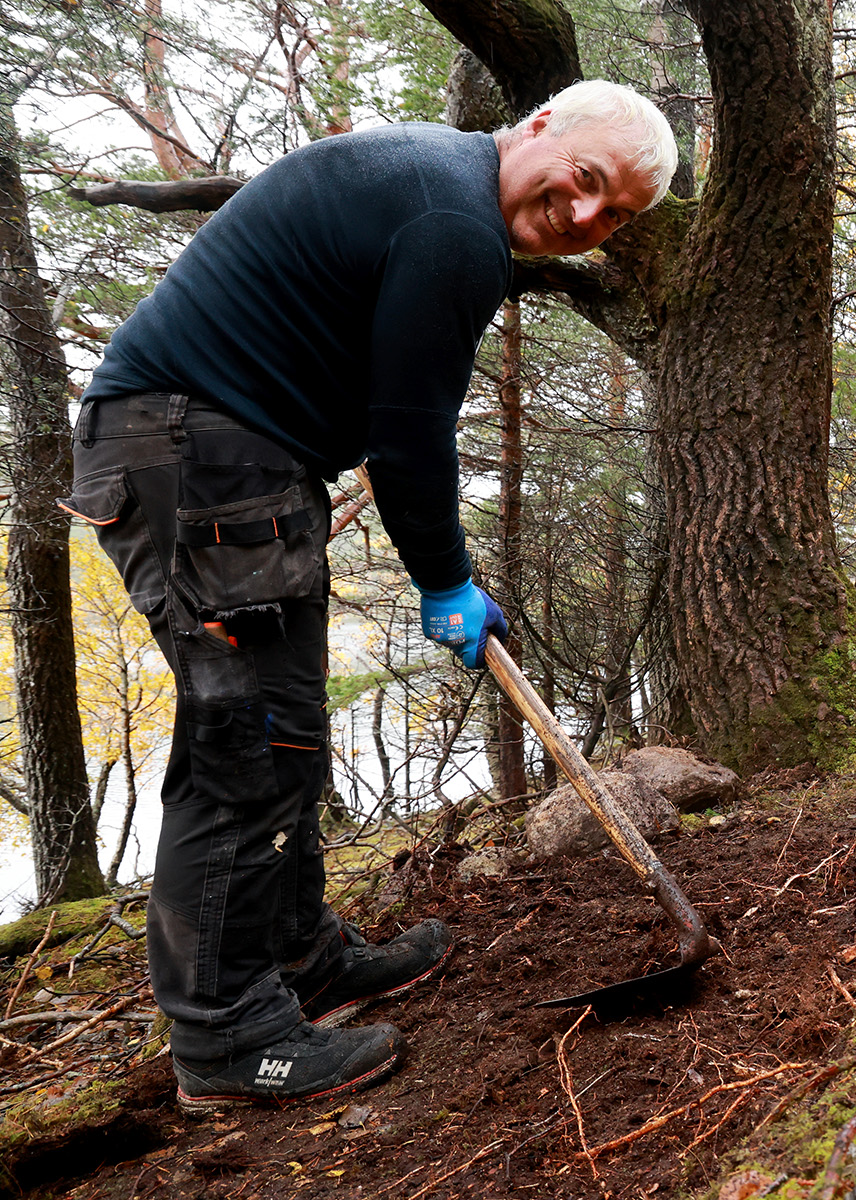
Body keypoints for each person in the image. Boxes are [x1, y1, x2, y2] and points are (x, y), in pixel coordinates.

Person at [59, 81, 678, 1111]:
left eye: (613, 217)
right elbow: (408, 433)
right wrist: (446, 582)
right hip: (196, 453)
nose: (583, 221)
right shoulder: (452, 221)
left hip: (225, 455)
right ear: (539, 128)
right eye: (586, 182)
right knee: (245, 743)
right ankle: (225, 1040)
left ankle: (304, 956)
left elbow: (386, 407)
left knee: (284, 730)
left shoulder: (436, 183)